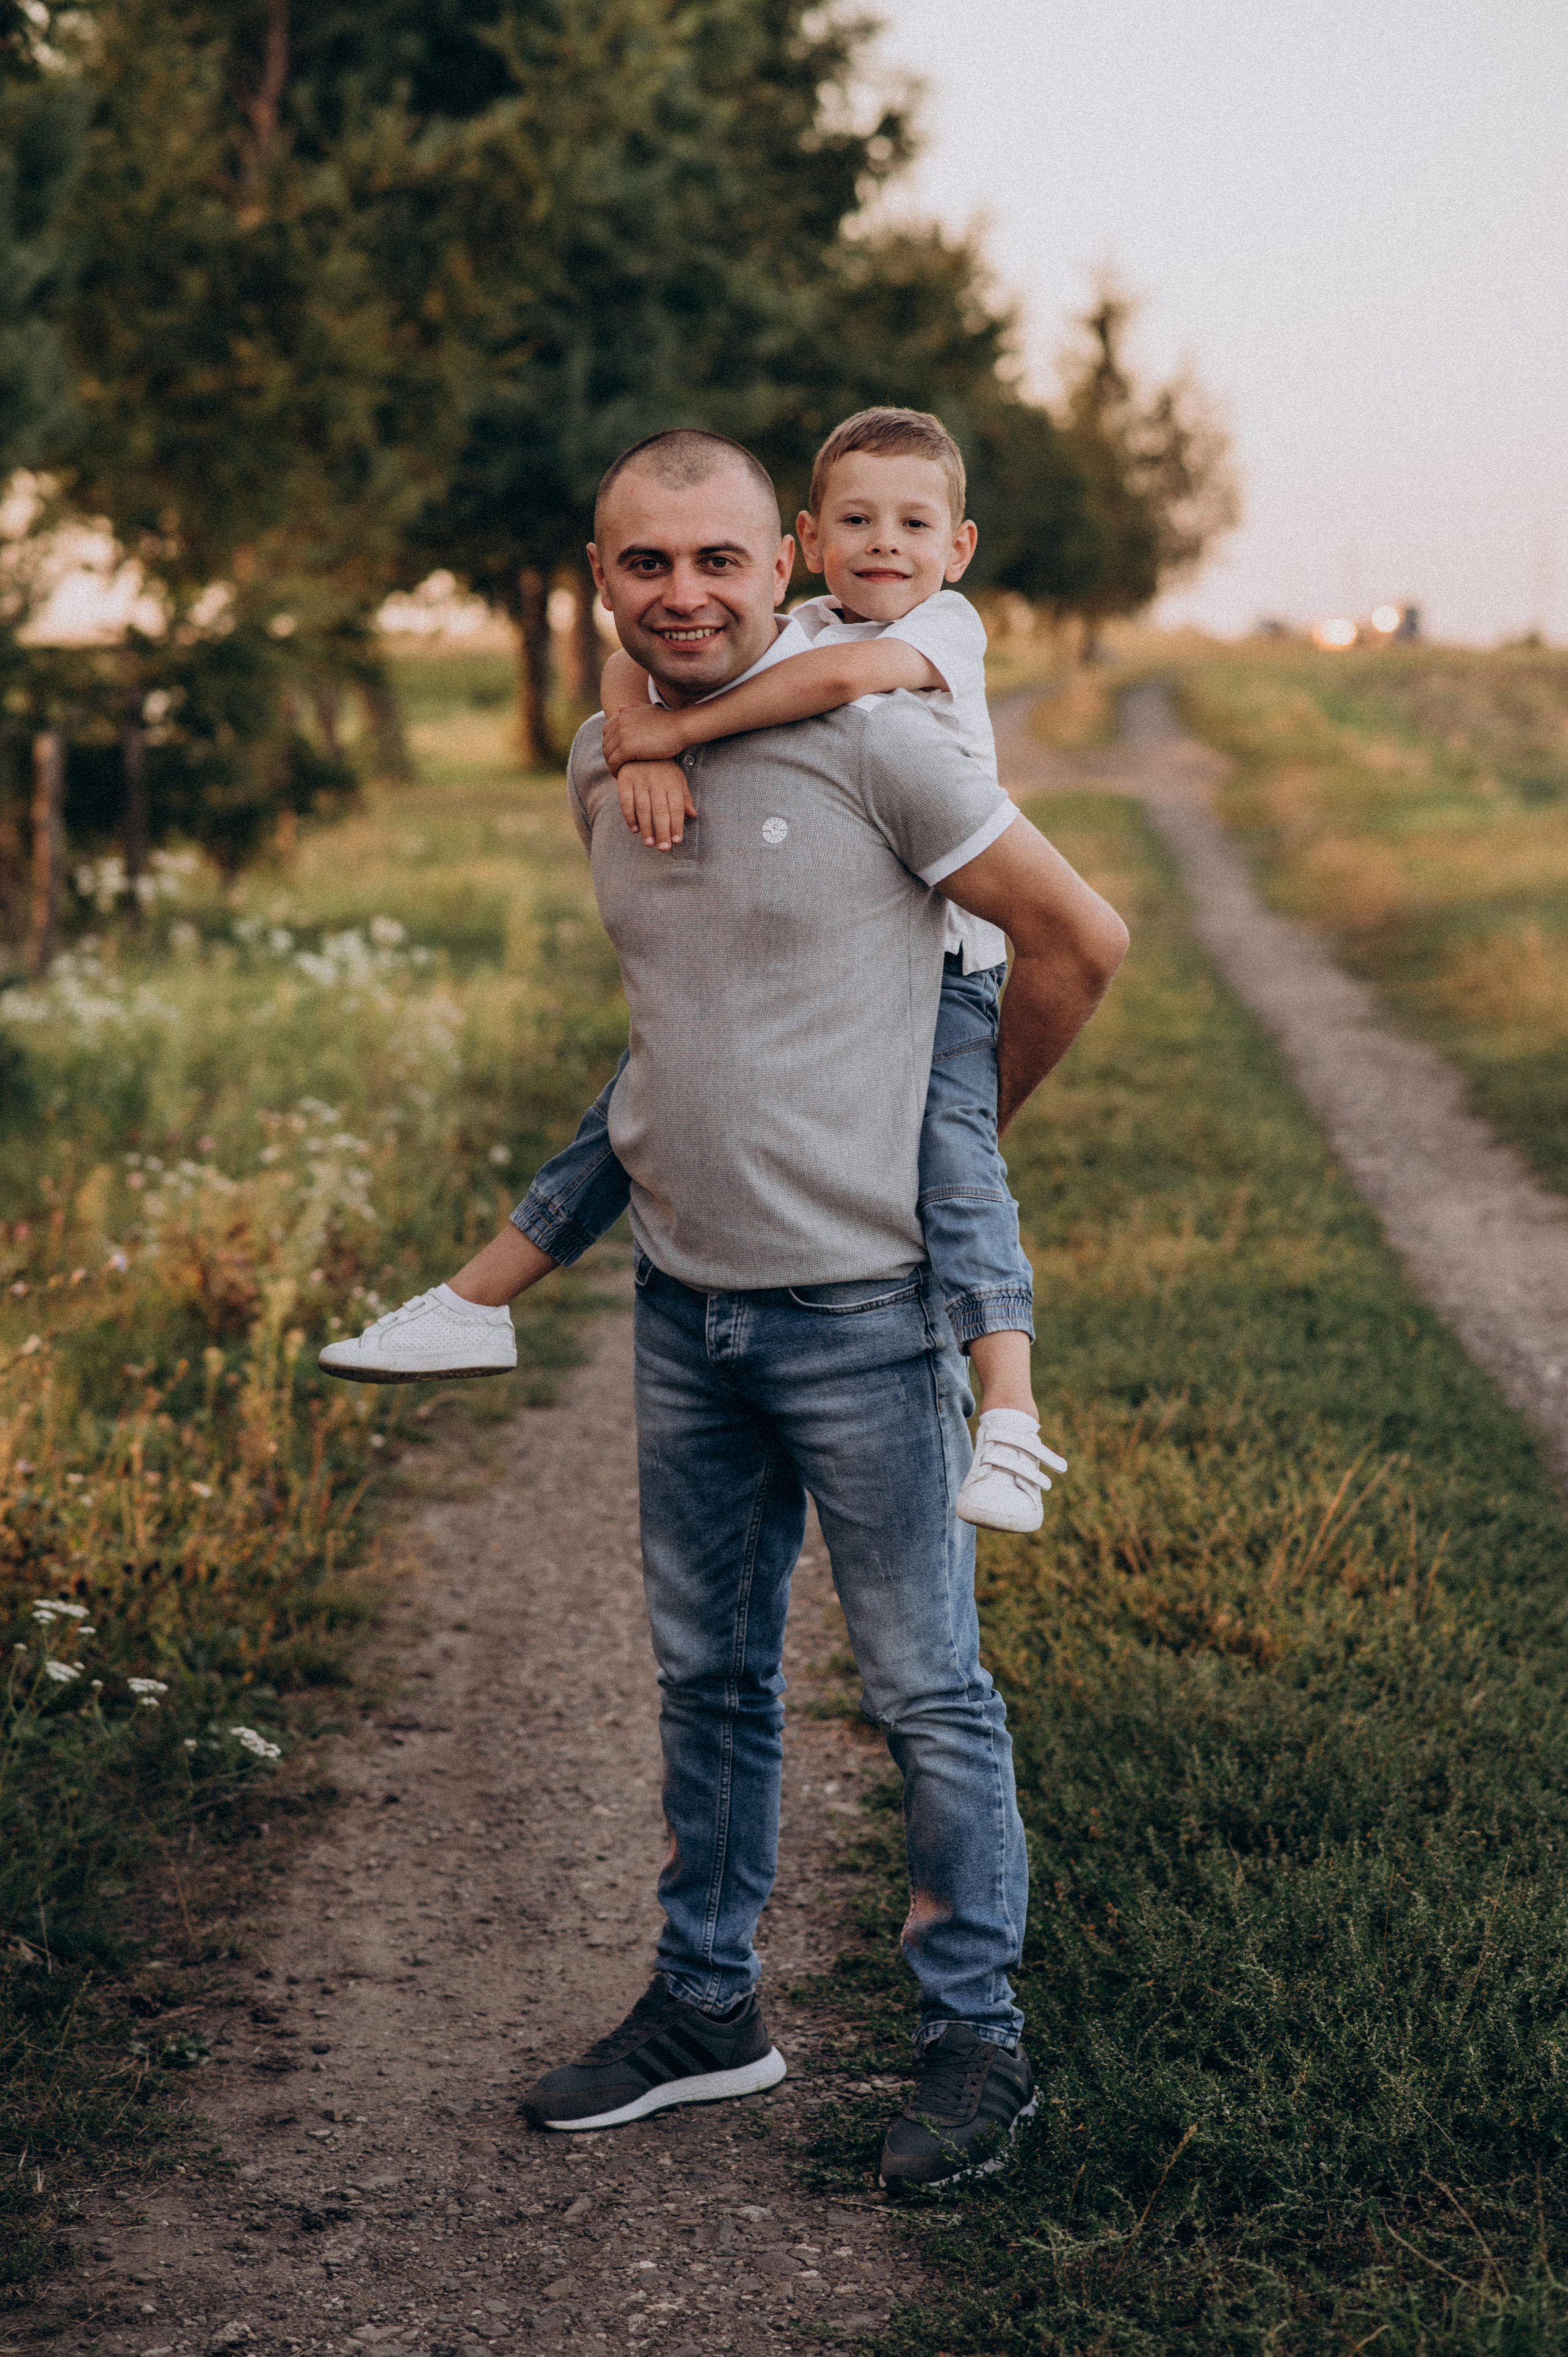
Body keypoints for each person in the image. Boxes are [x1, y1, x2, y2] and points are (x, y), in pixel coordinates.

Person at [331, 428, 1128, 2187]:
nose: (681, 592)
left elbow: (1078, 941)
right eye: (645, 564)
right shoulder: (600, 755)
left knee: (927, 1696)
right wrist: (640, 729)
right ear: (600, 578)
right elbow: (678, 1019)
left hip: (869, 1319)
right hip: (684, 1313)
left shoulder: (888, 739)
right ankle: (707, 2011)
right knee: (710, 1682)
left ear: (783, 564)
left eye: (716, 560)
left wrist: (956, 1140)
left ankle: (974, 2042)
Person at [322, 409, 1066, 1533]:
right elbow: (635, 660)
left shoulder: (938, 632)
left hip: (954, 963)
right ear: (807, 546)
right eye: (858, 521)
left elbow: (826, 685)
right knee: (640, 1111)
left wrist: (672, 734)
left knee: (959, 1176)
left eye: (915, 525)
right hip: (798, 1022)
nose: (885, 543)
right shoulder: (803, 622)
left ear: (959, 549)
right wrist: (632, 735)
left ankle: (1009, 1415)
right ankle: (475, 1303)